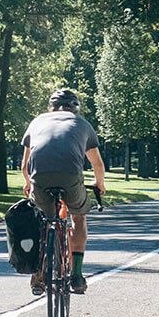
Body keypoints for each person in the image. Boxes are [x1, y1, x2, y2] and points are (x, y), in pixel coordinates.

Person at [21, 88, 106, 295]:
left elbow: (25, 166)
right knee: (79, 216)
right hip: (70, 177)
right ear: (75, 108)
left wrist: (28, 183)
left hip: (39, 177)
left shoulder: (37, 122)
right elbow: (97, 164)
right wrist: (99, 184)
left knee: (41, 219)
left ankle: (39, 271)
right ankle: (76, 274)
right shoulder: (82, 124)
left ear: (51, 108)